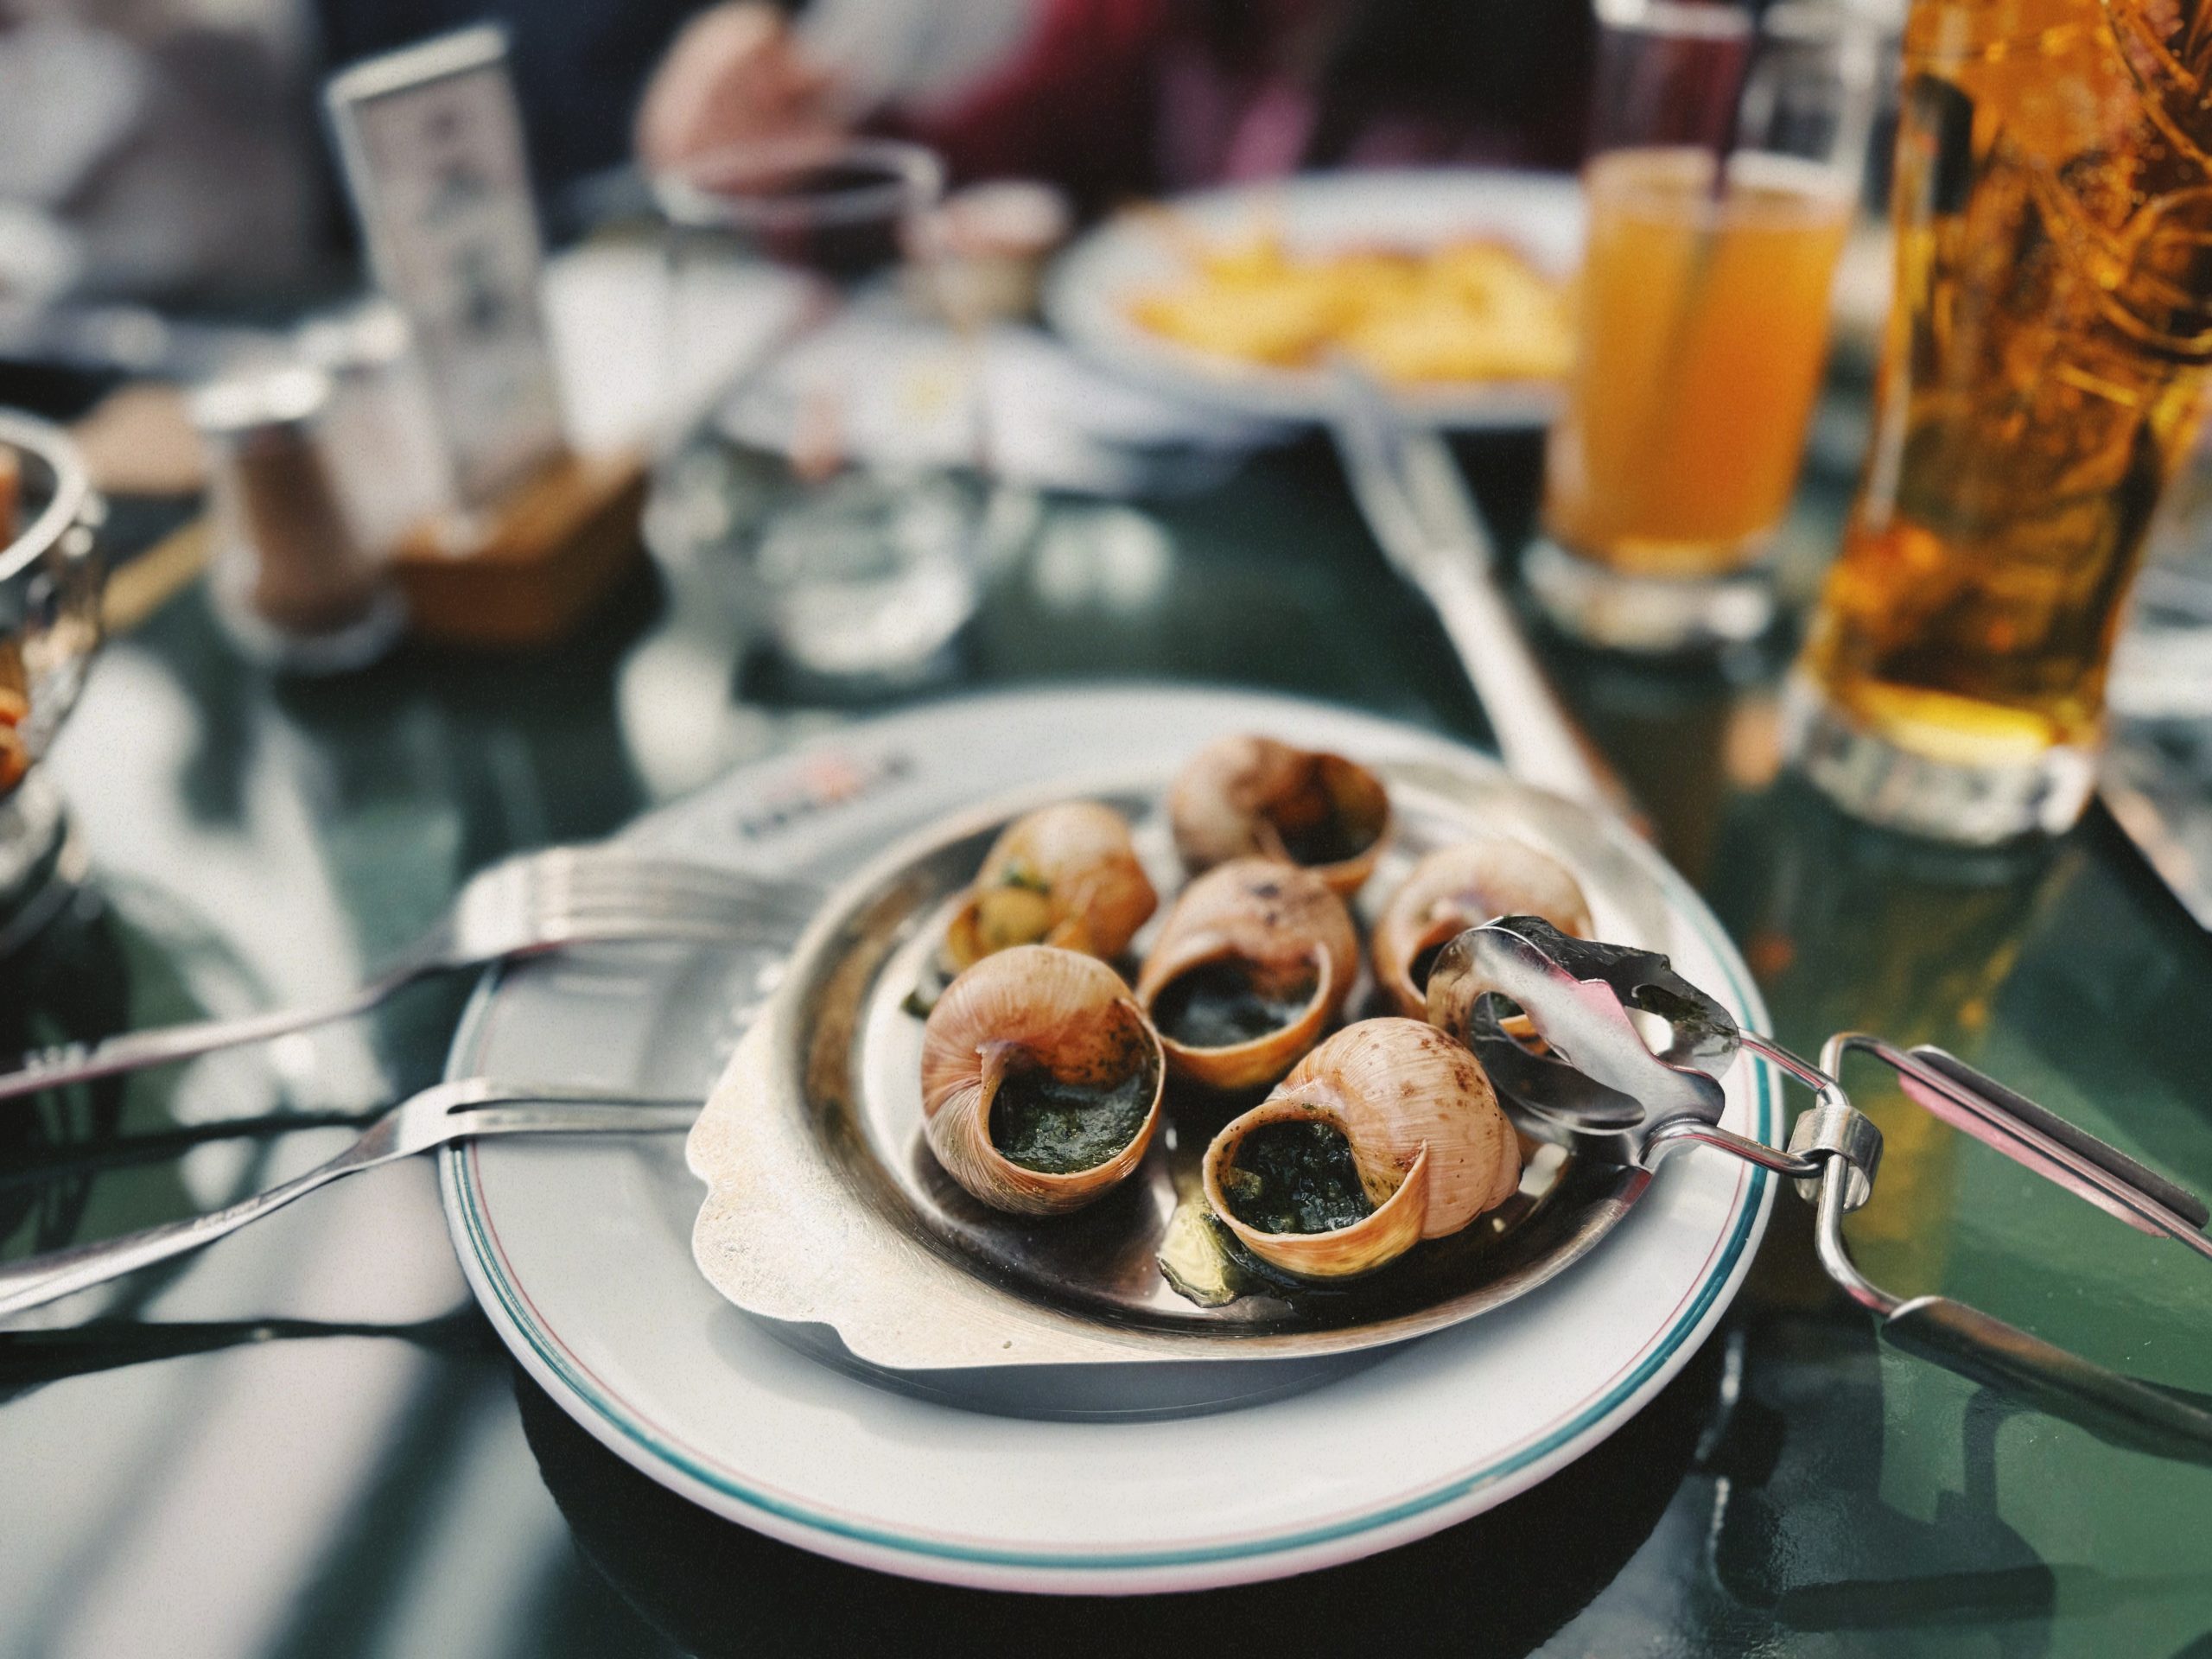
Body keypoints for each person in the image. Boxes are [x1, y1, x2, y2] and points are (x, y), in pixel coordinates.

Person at [637, 0, 1599, 210]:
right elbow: (967, 174)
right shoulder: (1140, 25)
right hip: (1227, 518)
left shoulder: (1601, 52)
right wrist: (798, 151)